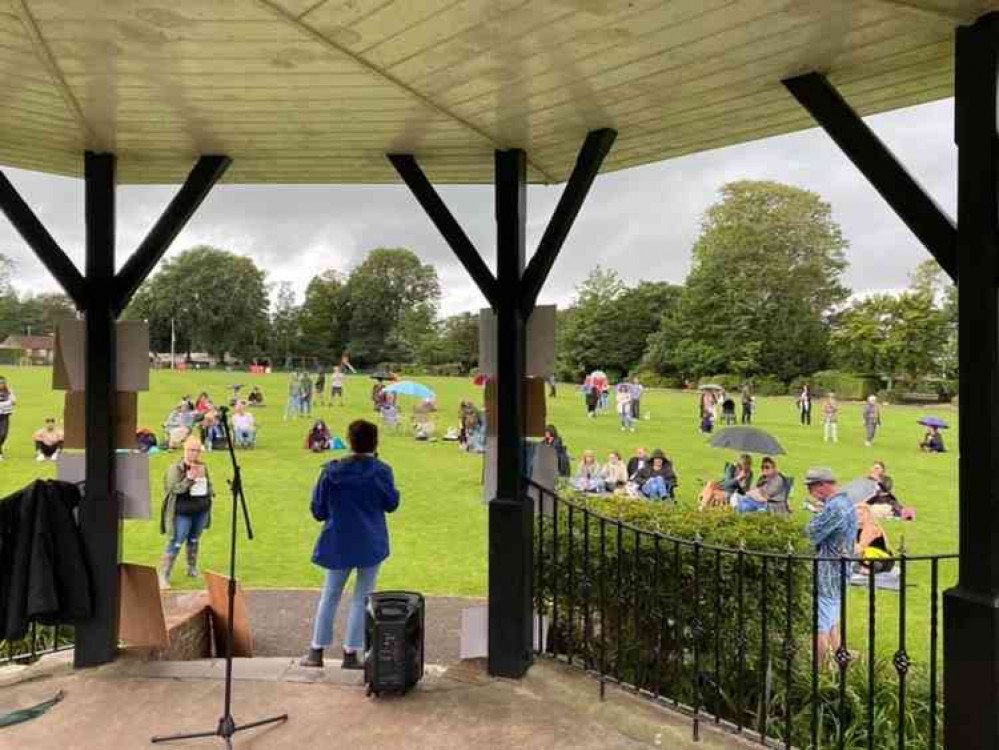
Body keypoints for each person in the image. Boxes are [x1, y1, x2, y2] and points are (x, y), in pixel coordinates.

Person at [301, 420, 400, 669]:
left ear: (349, 440)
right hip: (370, 542)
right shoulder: (382, 471)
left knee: (330, 595)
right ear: (375, 442)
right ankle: (350, 653)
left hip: (338, 541)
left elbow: (318, 510)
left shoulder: (332, 472)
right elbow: (392, 503)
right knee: (362, 598)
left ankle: (316, 651)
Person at [804, 467, 858, 664]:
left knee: (820, 625)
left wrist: (816, 516)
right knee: (833, 621)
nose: (811, 492)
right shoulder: (846, 503)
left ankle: (817, 673)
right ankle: (839, 665)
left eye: (811, 486)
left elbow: (810, 533)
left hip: (828, 573)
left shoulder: (836, 507)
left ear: (823, 485)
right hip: (841, 571)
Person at [158, 437, 213, 589]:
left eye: (197, 450)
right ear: (185, 450)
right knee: (176, 541)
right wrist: (189, 479)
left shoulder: (202, 466)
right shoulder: (175, 468)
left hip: (200, 510)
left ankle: (191, 568)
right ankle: (163, 575)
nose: (194, 453)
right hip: (182, 513)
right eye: (191, 450)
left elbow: (208, 484)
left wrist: (209, 492)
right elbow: (173, 489)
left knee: (194, 539)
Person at [854, 504, 894, 574]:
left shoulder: (872, 528)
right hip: (867, 558)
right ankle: (865, 568)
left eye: (861, 514)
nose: (858, 517)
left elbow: (860, 548)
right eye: (856, 515)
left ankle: (868, 569)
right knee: (854, 566)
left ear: (868, 515)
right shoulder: (858, 530)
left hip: (882, 560)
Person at [0, 376, 14, 460]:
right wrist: (7, 403)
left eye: (2, 383)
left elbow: (14, 401)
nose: (1, 384)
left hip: (5, 416)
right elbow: (10, 403)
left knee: (3, 435)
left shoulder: (9, 391)